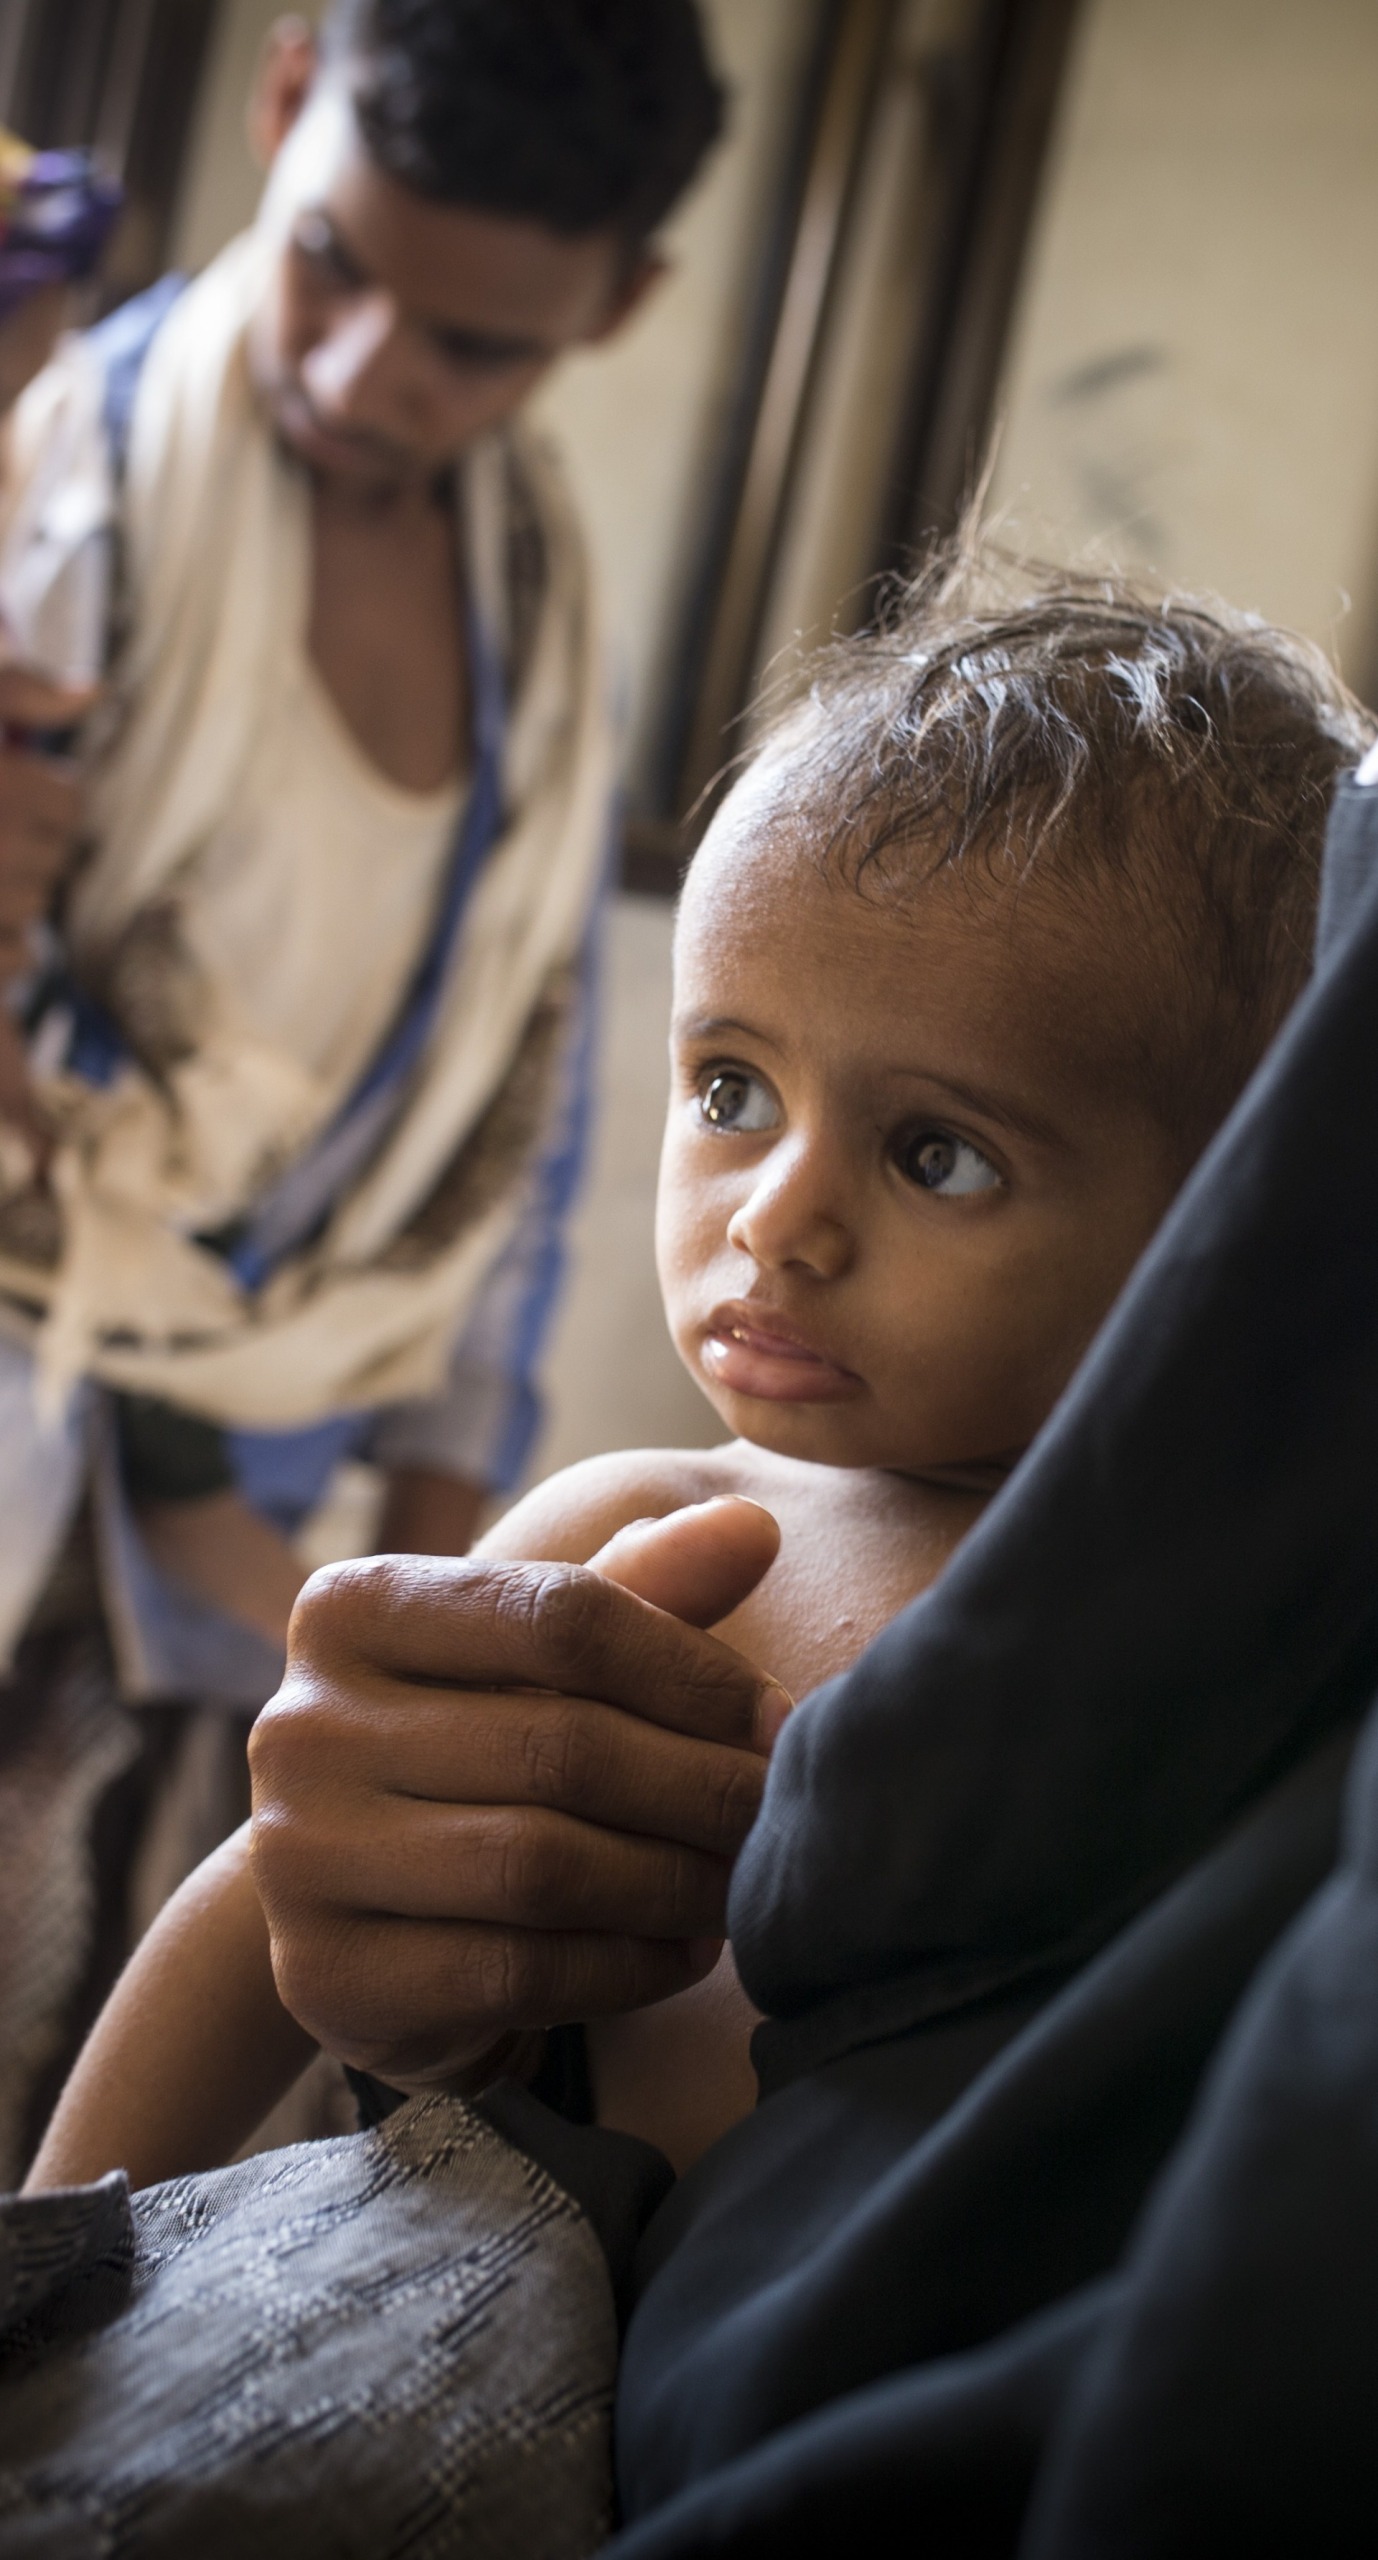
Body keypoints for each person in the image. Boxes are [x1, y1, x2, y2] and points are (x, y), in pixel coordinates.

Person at [28, 548, 1371, 2242]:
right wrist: (53, 2260)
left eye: (935, 1154)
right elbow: (253, 1921)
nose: (773, 1220)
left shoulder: (1241, 1620)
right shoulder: (635, 1536)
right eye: (728, 1085)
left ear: (1229, 1202)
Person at [0, 0, 723, 2180]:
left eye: (470, 345)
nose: (357, 370)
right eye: (329, 264)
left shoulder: (547, 603)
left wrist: (451, 1598)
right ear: (283, 98)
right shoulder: (48, 465)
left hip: (227, 1566)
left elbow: (509, 1116)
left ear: (618, 305)